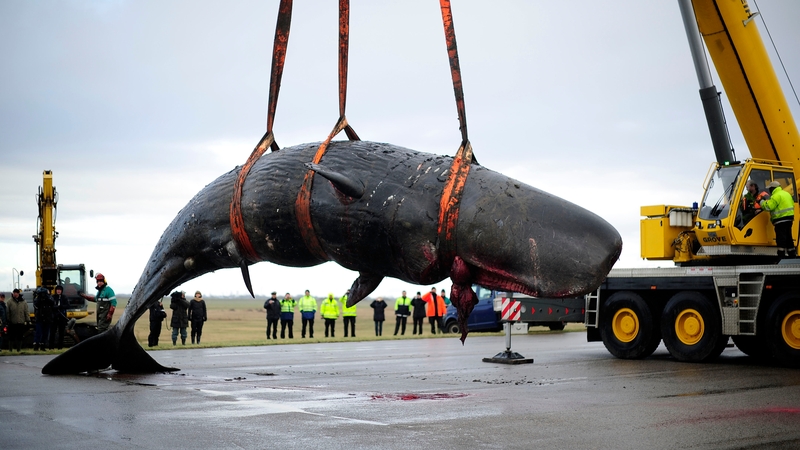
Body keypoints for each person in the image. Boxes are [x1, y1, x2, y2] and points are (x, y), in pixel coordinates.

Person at [761, 180, 797, 258]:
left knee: (781, 237)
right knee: (788, 236)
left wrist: (762, 203)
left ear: (773, 188)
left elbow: (769, 207)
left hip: (780, 219)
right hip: (789, 218)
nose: (769, 190)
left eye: (770, 188)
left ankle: (781, 254)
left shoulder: (776, 196)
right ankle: (792, 253)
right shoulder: (787, 194)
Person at [51, 285, 70, 349]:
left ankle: (60, 347)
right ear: (56, 290)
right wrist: (54, 308)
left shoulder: (64, 298)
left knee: (61, 333)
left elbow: (68, 306)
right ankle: (51, 347)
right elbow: (50, 306)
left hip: (62, 317)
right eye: (57, 290)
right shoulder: (53, 297)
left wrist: (61, 306)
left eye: (60, 290)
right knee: (52, 332)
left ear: (61, 291)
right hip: (54, 317)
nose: (58, 291)